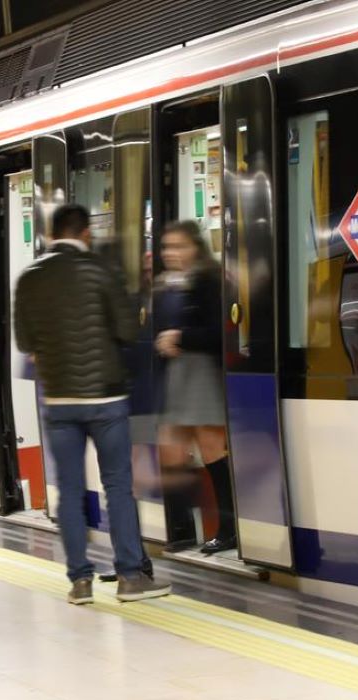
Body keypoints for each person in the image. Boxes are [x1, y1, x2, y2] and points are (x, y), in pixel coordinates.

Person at [13, 203, 170, 605]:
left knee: (67, 489)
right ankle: (130, 577)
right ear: (85, 234)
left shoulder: (29, 278)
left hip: (60, 399)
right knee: (117, 484)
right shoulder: (101, 271)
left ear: (50, 233)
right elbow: (127, 328)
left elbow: (25, 343)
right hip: (106, 397)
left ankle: (80, 581)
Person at [154, 221, 235, 555]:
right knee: (173, 450)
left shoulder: (208, 279)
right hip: (182, 375)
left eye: (179, 246)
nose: (172, 254)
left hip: (202, 374)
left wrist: (179, 337)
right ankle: (184, 528)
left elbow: (221, 333)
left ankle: (228, 528)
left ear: (196, 248)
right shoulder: (171, 283)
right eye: (167, 247)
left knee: (212, 450)